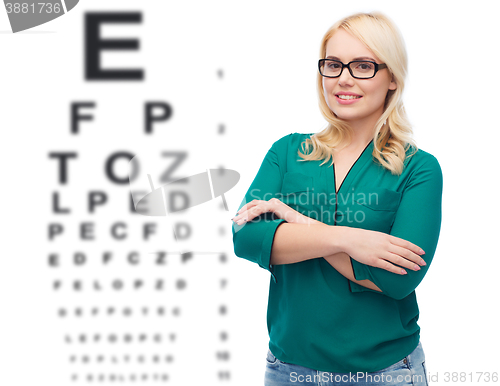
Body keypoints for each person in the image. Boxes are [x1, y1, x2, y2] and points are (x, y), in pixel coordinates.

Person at [232, 11, 442, 386]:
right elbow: (246, 238)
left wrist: (295, 222)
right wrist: (349, 239)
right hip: (288, 370)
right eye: (333, 65)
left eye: (363, 65)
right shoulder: (288, 152)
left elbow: (397, 281)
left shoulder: (418, 169)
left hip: (385, 372)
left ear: (392, 77)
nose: (344, 78)